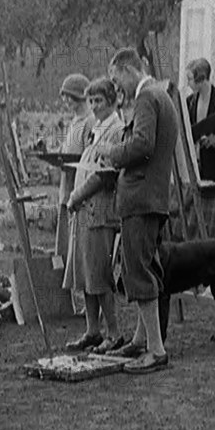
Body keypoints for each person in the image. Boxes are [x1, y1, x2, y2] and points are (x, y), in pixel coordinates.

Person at [98, 48, 178, 374]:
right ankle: (140, 340)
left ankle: (156, 350)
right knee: (150, 267)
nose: (118, 89)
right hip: (155, 197)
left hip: (141, 198)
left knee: (137, 271)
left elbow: (143, 144)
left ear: (129, 69)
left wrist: (111, 152)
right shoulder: (162, 95)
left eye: (118, 80)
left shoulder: (147, 97)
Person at [62, 77, 125, 354]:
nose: (95, 106)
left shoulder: (116, 130)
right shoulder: (96, 129)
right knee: (85, 274)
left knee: (99, 273)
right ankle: (92, 330)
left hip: (99, 210)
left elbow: (104, 175)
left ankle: (113, 333)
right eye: (92, 101)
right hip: (84, 212)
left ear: (112, 101)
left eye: (100, 100)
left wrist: (77, 195)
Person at [56, 73, 95, 316]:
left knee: (80, 249)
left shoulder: (90, 121)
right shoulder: (73, 122)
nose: (66, 102)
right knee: (65, 248)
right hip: (65, 190)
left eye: (69, 97)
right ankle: (72, 300)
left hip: (79, 192)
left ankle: (87, 302)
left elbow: (88, 158)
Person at [185, 58, 215, 185]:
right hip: (196, 168)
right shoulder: (189, 102)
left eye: (190, 79)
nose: (187, 83)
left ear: (201, 79)